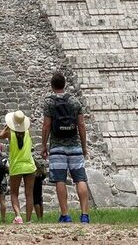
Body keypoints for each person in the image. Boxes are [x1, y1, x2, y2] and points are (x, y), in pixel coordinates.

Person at [41, 72, 90, 224]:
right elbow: (81, 125)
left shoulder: (49, 102)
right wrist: (83, 146)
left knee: (60, 180)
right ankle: (84, 215)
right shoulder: (75, 101)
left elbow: (46, 126)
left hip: (57, 147)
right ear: (64, 84)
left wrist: (44, 145)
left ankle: (65, 214)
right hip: (74, 146)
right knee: (80, 179)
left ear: (52, 85)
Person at [0, 110, 37, 224]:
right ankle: (29, 219)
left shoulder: (10, 133)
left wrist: (7, 126)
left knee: (14, 193)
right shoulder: (27, 131)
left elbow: (0, 135)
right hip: (29, 165)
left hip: (16, 166)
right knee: (29, 194)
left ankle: (18, 216)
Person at [32, 146, 49, 221]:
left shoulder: (30, 156)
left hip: (33, 178)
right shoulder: (38, 155)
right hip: (40, 177)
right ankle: (41, 217)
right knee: (40, 198)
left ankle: (39, 218)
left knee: (35, 199)